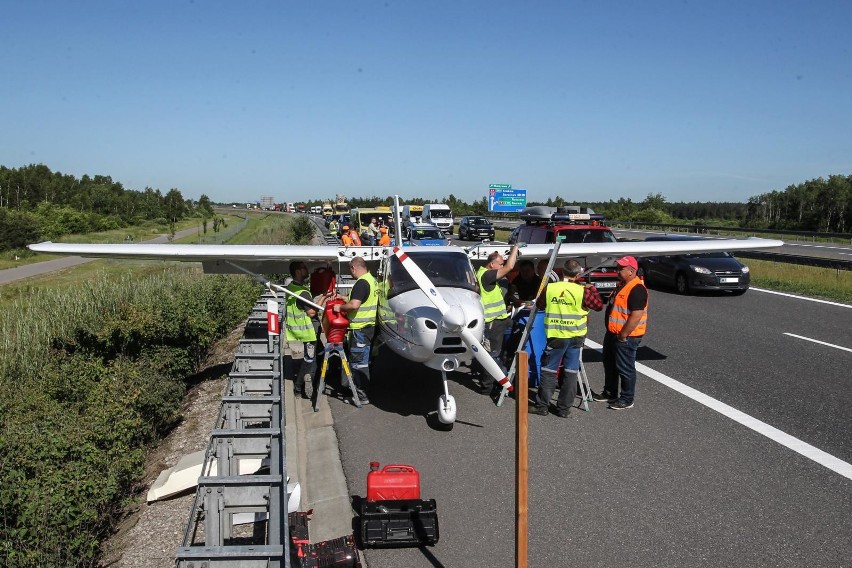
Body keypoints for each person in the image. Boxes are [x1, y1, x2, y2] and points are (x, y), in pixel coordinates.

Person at [530, 260, 603, 417]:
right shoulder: (582, 291)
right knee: (570, 372)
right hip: (576, 337)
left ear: (562, 272)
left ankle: (542, 406)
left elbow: (540, 305)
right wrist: (592, 289)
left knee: (549, 370)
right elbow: (598, 306)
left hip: (557, 336)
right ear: (577, 274)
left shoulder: (550, 288)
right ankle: (564, 409)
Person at [592, 256, 648, 410]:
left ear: (631, 271)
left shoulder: (637, 289)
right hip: (613, 333)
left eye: (621, 268)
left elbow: (636, 315)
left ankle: (627, 398)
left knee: (625, 367)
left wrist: (623, 335)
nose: (618, 270)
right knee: (609, 363)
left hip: (626, 336)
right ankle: (610, 392)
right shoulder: (622, 285)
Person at [474, 245, 519, 395]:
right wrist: (515, 248)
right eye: (500, 264)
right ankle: (487, 387)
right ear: (492, 264)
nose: (502, 266)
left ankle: (498, 379)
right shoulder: (487, 275)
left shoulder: (483, 273)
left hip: (500, 319)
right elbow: (510, 266)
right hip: (493, 322)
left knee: (499, 352)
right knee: (492, 354)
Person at [332, 256, 377, 405]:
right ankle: (362, 392)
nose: (351, 274)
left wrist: (340, 307)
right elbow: (361, 299)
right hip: (369, 328)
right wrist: (344, 297)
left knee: (358, 363)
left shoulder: (361, 283)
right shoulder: (371, 280)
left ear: (354, 268)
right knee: (364, 361)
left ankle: (361, 396)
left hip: (360, 330)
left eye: (350, 271)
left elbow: (355, 305)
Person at [285, 262, 319, 399]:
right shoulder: (303, 293)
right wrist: (324, 298)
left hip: (299, 330)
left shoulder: (291, 287)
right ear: (298, 272)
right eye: (304, 268)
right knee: (309, 361)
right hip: (308, 332)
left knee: (315, 357)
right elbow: (311, 312)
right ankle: (299, 387)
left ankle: (308, 385)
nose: (307, 270)